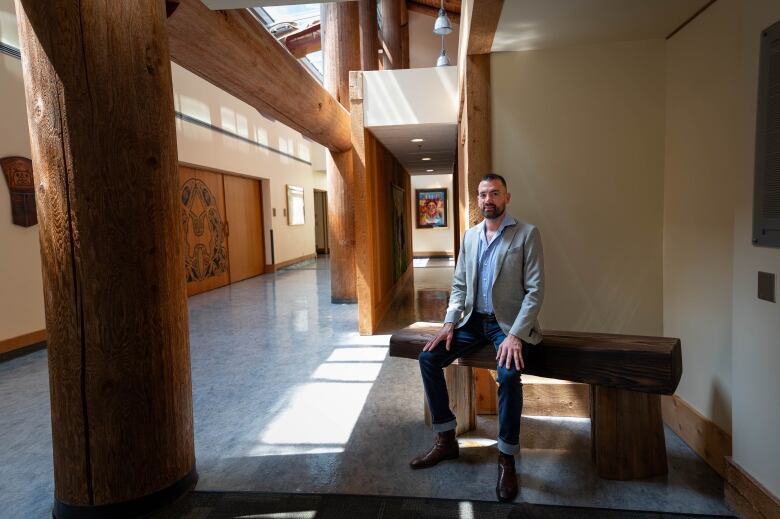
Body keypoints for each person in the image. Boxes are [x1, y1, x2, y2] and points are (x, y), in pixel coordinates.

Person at [409, 173, 545, 503]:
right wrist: (449, 322)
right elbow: (458, 286)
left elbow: (535, 291)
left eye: (494, 194)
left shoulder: (526, 234)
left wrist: (515, 334)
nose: (488, 200)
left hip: (506, 325)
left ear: (507, 197)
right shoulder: (470, 237)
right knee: (428, 358)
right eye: (483, 195)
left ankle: (506, 458)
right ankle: (446, 440)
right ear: (478, 199)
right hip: (472, 322)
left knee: (509, 376)